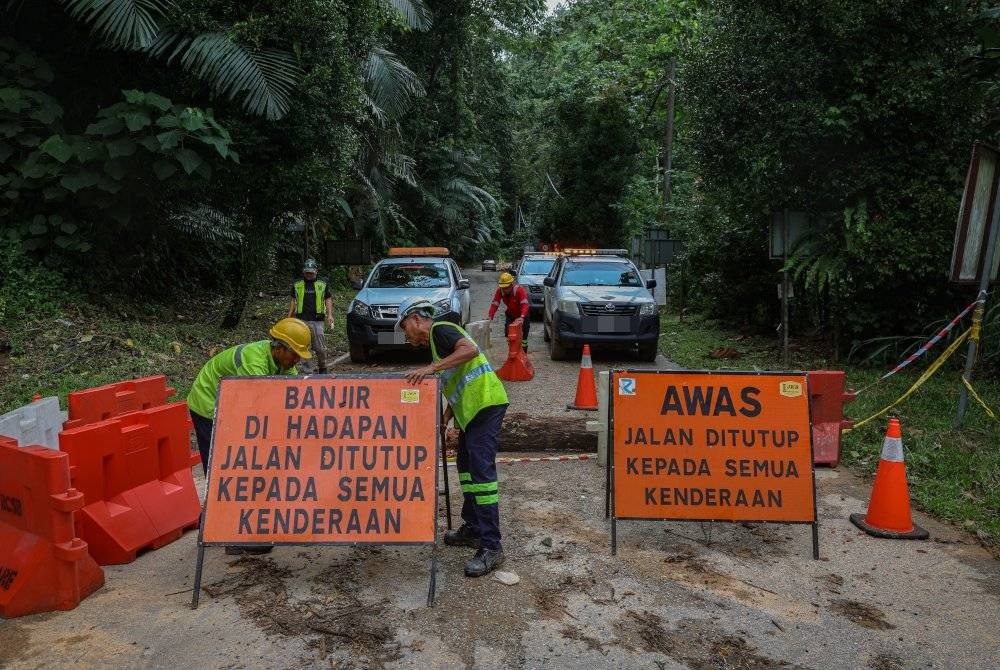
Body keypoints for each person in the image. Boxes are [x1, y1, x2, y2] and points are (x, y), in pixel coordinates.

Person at [397, 297, 509, 577]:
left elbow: (470, 350)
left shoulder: (441, 329)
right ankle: (473, 527)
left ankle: (492, 546)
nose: (405, 336)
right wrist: (447, 418)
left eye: (403, 328)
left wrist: (431, 369)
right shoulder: (438, 347)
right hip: (471, 413)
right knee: (466, 471)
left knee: (482, 476)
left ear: (415, 319)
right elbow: (459, 382)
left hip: (486, 405)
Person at [186, 318, 311, 555]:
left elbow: (293, 394)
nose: (297, 360)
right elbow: (261, 405)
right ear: (278, 348)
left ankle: (225, 525)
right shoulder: (253, 361)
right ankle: (224, 532)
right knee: (223, 468)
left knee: (247, 466)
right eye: (294, 354)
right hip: (208, 406)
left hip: (233, 408)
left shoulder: (284, 364)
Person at [287, 258, 334, 373]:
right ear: (303, 272)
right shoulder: (297, 284)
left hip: (318, 320)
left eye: (311, 273)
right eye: (307, 272)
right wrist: (289, 317)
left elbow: (328, 299)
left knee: (320, 347)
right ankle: (307, 371)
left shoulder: (322, 283)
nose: (309, 275)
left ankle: (323, 367)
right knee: (304, 347)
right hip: (302, 320)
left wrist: (330, 315)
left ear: (316, 272)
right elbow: (293, 300)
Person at [486, 272, 529, 352]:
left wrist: (522, 317)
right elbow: (495, 304)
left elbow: (525, 305)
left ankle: (524, 355)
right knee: (509, 334)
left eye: (506, 287)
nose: (504, 290)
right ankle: (512, 352)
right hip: (511, 315)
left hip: (523, 315)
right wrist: (490, 317)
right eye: (503, 287)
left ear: (511, 284)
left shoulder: (520, 290)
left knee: (524, 338)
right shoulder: (500, 291)